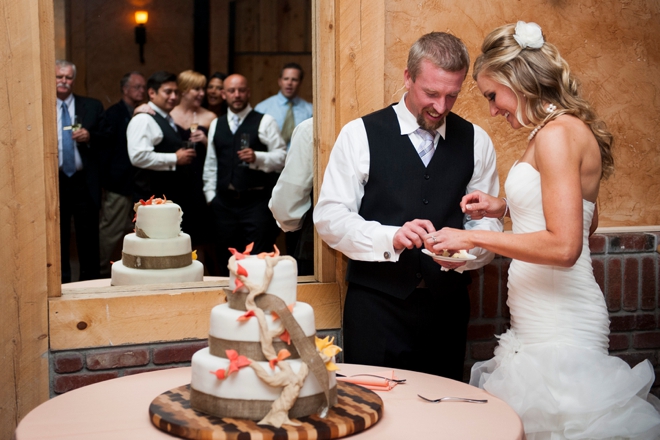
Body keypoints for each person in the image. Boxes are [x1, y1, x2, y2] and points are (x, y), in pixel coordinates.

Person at [424, 22, 660, 438]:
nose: (493, 109)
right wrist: (509, 207)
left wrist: (473, 235)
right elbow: (588, 218)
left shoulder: (556, 135)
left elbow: (567, 246)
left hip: (560, 325)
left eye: (492, 95)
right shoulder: (558, 130)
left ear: (518, 79)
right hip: (541, 320)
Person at [313, 32, 502, 380]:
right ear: (407, 77)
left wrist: (467, 251)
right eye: (431, 93)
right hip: (375, 308)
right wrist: (391, 237)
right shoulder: (359, 134)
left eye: (452, 96)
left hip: (447, 308)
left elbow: (486, 225)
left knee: (440, 417)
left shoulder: (477, 141)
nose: (441, 107)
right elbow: (329, 216)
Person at [203, 74, 286, 275]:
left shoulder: (265, 121)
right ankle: (228, 301)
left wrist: (257, 157)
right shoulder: (217, 124)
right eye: (232, 91)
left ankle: (256, 301)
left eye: (241, 90)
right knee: (225, 258)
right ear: (224, 94)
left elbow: (282, 157)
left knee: (257, 258)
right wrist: (210, 197)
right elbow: (211, 162)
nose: (237, 95)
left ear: (248, 92)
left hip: (255, 202)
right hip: (223, 204)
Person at [55, 60, 105, 283]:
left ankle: (89, 283)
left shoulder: (92, 106)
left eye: (68, 77)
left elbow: (108, 139)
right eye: (59, 77)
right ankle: (61, 282)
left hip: (84, 181)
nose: (64, 81)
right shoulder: (41, 107)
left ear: (73, 80)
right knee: (58, 236)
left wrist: (90, 136)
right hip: (54, 182)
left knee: (88, 237)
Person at [98, 71, 146, 277]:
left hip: (139, 185)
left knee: (140, 232)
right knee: (110, 230)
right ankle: (98, 270)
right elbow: (106, 151)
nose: (142, 91)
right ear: (125, 89)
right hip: (118, 183)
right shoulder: (114, 114)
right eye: (137, 87)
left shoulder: (145, 114)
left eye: (144, 87)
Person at [127, 71, 196, 205]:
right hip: (151, 199)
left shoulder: (167, 118)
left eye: (176, 92)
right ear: (152, 93)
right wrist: (175, 158)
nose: (173, 96)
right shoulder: (144, 119)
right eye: (168, 92)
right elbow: (138, 157)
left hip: (167, 197)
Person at [268, 117, 314, 275]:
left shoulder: (311, 128)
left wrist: (290, 223)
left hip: (317, 247)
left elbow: (288, 206)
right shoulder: (387, 124)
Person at [255, 62, 312, 147]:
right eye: (286, 79)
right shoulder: (262, 108)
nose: (289, 83)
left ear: (300, 83)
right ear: (280, 81)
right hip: (271, 159)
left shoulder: (310, 110)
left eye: (294, 79)